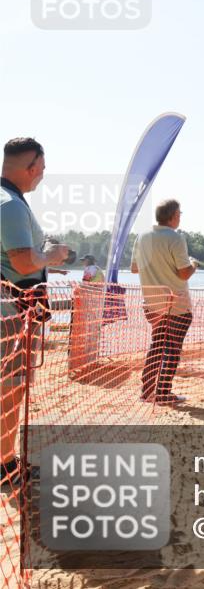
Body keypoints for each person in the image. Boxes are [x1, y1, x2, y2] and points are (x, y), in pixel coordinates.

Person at [1, 138, 69, 486]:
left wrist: (43, 258)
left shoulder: (9, 201)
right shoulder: (11, 206)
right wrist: (52, 256)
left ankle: (6, 461)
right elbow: (24, 261)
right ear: (30, 167)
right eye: (41, 170)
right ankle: (6, 464)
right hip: (9, 311)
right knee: (11, 387)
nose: (42, 176)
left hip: (10, 305)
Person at [131, 199, 197, 406]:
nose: (180, 217)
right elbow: (184, 273)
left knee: (157, 346)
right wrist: (194, 264)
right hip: (176, 304)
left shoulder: (142, 237)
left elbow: (134, 268)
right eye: (180, 213)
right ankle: (163, 392)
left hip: (153, 304)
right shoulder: (176, 238)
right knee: (172, 349)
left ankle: (147, 390)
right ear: (174, 215)